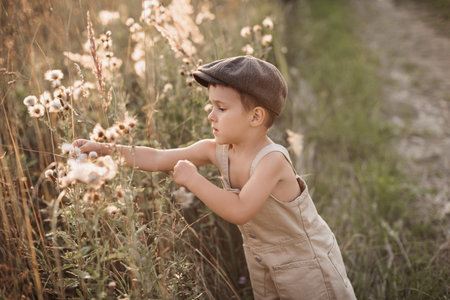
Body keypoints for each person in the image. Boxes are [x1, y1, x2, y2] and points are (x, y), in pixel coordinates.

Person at [74, 55, 357, 299]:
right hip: (263, 261)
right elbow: (159, 158)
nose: (211, 115)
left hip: (307, 266)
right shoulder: (215, 150)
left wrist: (194, 180)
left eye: (221, 108)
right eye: (211, 106)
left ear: (256, 117)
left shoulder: (272, 160)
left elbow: (240, 210)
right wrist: (106, 149)